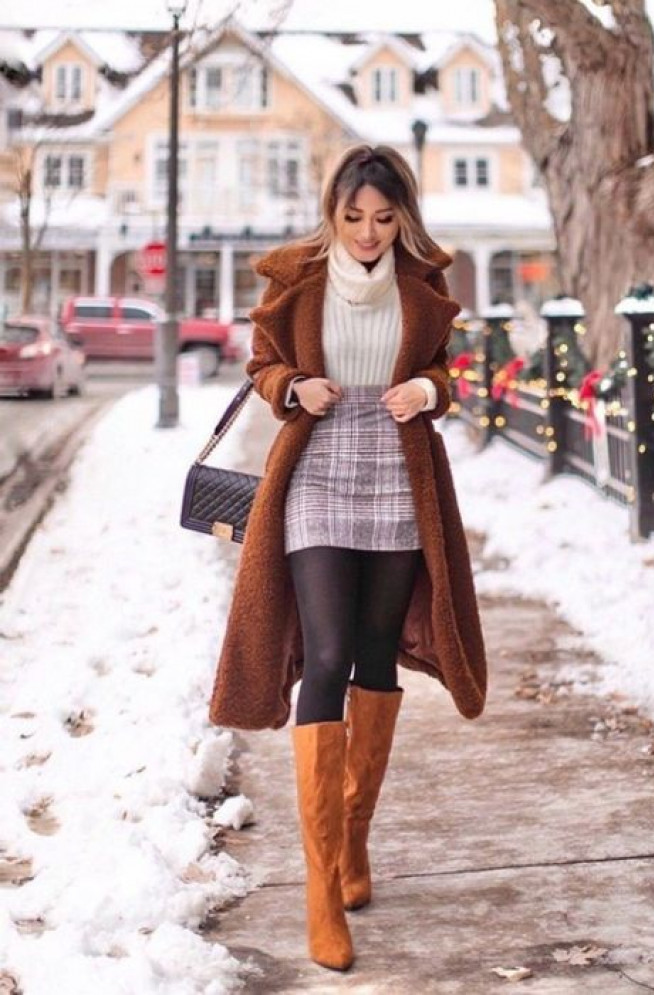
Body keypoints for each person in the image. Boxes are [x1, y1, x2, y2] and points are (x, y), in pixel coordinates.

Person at [208, 144, 487, 972]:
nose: (368, 233)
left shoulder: (423, 282)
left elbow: (446, 374)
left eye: (384, 218)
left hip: (398, 476)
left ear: (402, 217)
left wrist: (429, 393)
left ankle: (352, 842)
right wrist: (295, 387)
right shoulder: (297, 275)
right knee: (325, 654)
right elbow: (262, 365)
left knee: (374, 653)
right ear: (332, 213)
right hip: (318, 473)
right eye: (354, 217)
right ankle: (320, 888)